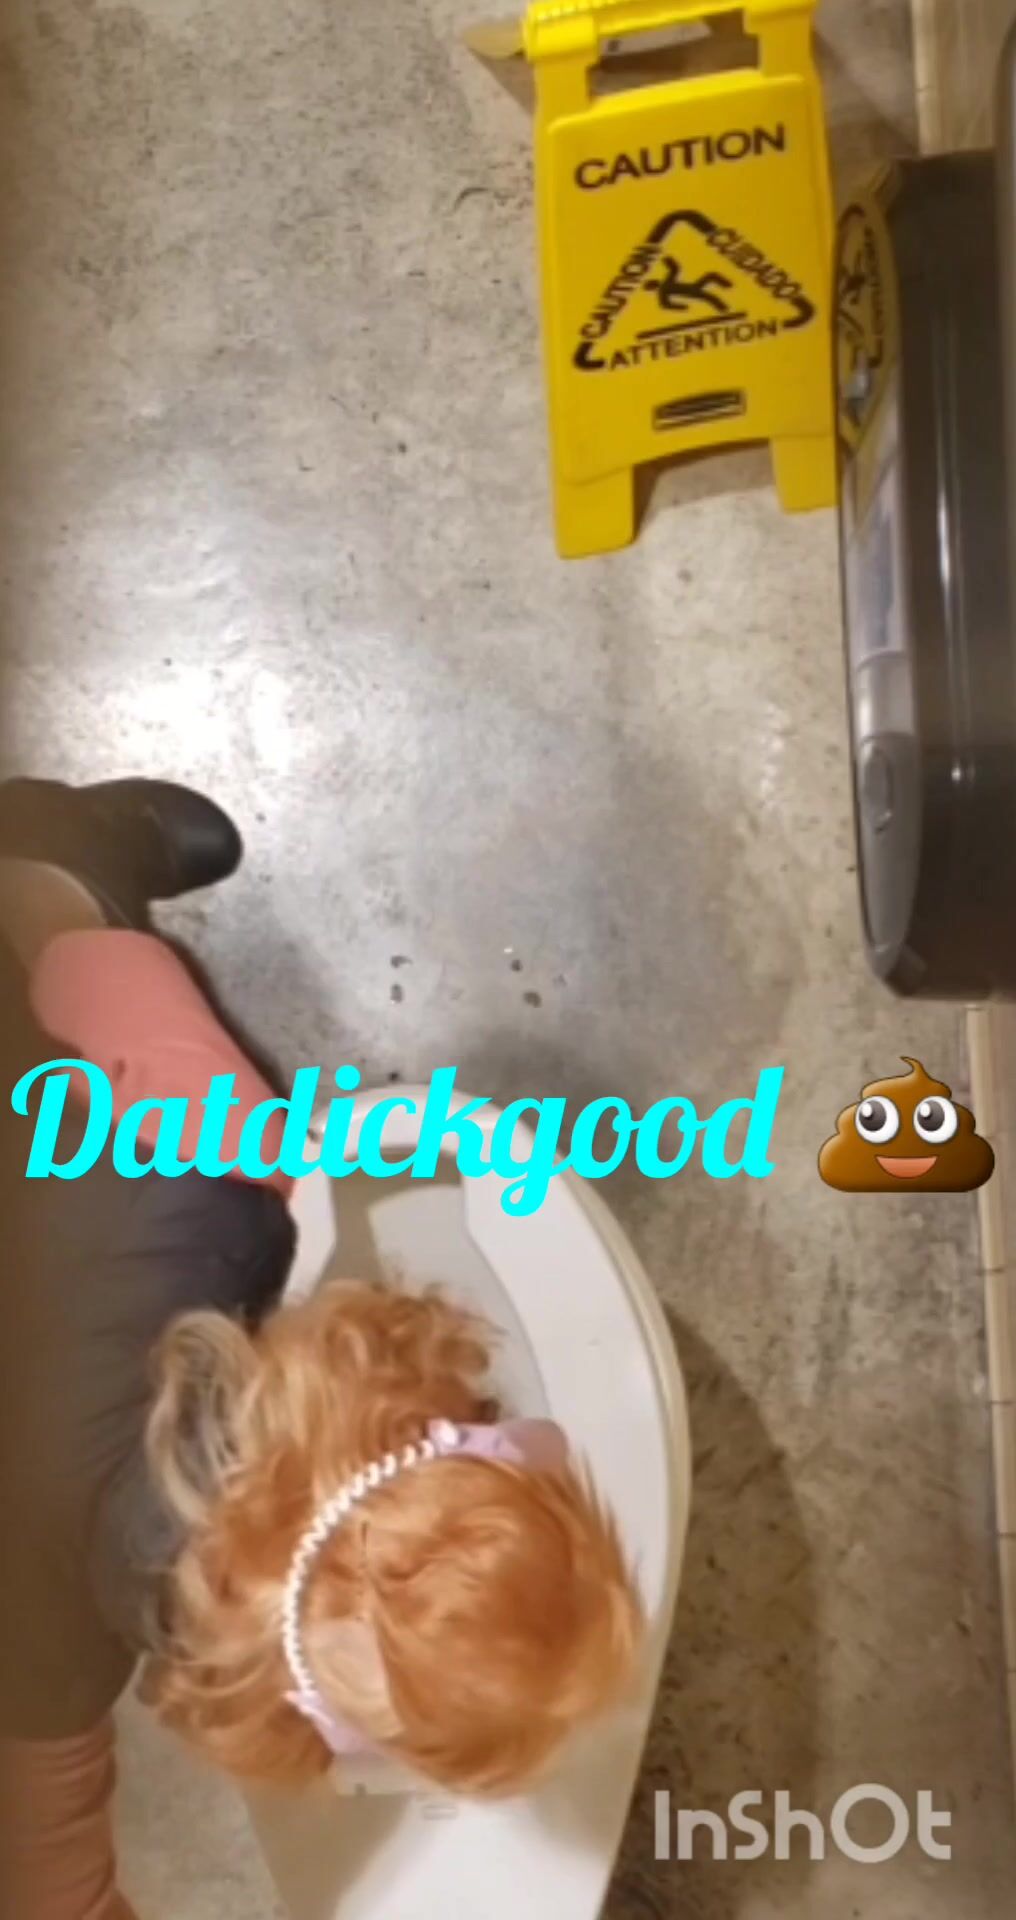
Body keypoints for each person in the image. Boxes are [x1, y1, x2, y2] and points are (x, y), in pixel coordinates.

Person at [0, 777, 642, 1920]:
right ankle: (67, 851)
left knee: (103, 970)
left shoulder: (211, 1180)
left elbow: (98, 989)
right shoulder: (47, 1623)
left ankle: (65, 882)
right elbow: (49, 1831)